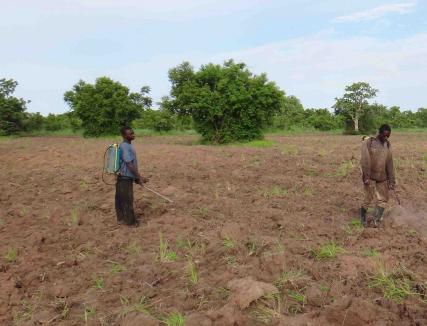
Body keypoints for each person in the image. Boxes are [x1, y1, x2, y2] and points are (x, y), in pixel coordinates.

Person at [360, 124, 396, 227]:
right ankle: (362, 220)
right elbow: (365, 160)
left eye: (388, 136)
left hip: (382, 177)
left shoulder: (388, 145)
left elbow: (390, 163)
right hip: (370, 176)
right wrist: (366, 177)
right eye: (384, 135)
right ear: (379, 133)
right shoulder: (369, 142)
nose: (386, 138)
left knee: (383, 199)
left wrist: (391, 181)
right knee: (368, 198)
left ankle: (376, 219)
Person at [115, 127, 147, 226]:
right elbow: (129, 164)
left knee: (120, 199)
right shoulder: (125, 146)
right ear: (124, 136)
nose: (133, 135)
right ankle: (130, 222)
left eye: (133, 133)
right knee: (127, 200)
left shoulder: (128, 146)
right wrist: (139, 177)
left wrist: (137, 177)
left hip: (125, 177)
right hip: (125, 178)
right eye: (130, 134)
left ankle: (121, 219)